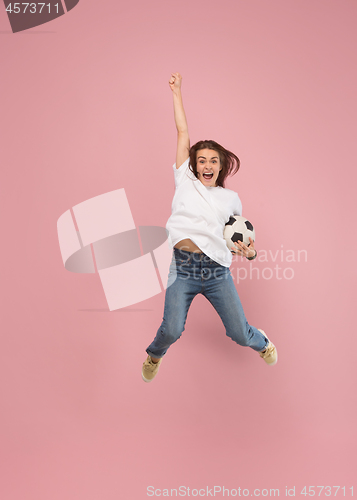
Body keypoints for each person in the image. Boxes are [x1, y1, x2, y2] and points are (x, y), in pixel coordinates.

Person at [142, 73, 277, 382]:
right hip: (183, 267)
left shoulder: (231, 199)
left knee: (239, 334)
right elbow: (182, 130)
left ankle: (263, 342)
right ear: (194, 165)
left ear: (221, 165)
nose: (206, 165)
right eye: (201, 160)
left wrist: (251, 253)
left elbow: (241, 241)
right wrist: (177, 93)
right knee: (172, 329)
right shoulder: (184, 179)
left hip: (216, 270)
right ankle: (154, 354)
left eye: (212, 161)